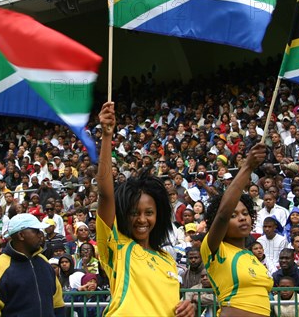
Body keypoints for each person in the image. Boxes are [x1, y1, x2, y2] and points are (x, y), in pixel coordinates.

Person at [95, 102, 193, 316]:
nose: (142, 219)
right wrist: (106, 137)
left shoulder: (167, 259)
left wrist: (186, 309)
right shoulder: (117, 245)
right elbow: (105, 194)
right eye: (134, 213)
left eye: (149, 213)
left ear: (159, 215)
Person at [202, 143, 273, 317]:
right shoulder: (214, 248)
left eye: (245, 213)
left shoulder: (251, 256)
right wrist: (247, 167)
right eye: (234, 215)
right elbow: (222, 215)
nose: (242, 218)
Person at [0, 213, 65, 316]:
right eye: (36, 231)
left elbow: (57, 303)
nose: (41, 235)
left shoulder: (44, 262)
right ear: (21, 235)